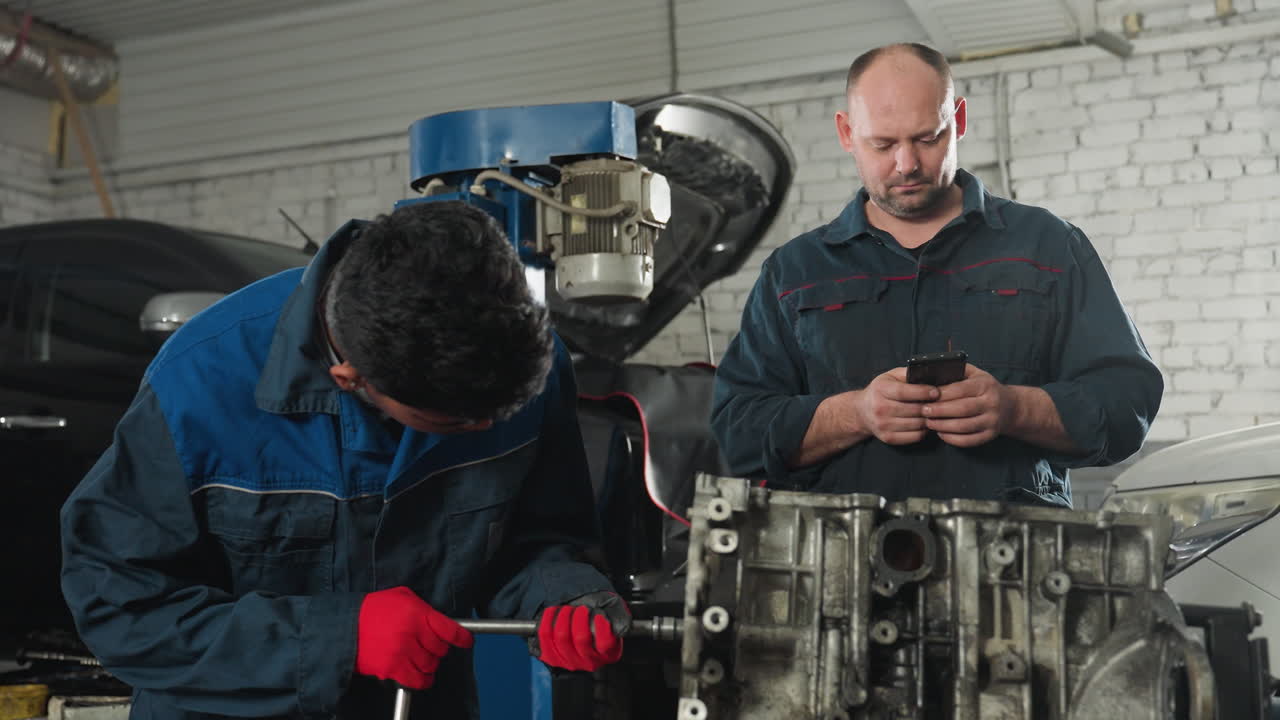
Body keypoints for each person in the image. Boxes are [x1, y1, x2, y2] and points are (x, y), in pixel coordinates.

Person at [60, 201, 629, 719]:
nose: (486, 430)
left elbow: (536, 538)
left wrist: (561, 594)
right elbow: (120, 604)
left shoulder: (526, 368)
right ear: (349, 379)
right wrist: (336, 639)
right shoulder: (200, 386)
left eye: (502, 415)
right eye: (455, 425)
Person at [710, 43, 1163, 506]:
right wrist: (856, 413)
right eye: (883, 144)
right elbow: (737, 433)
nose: (907, 164)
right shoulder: (794, 272)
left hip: (1011, 563)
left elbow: (1128, 405)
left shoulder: (1048, 246)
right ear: (847, 133)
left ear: (959, 120)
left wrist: (1013, 409)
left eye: (928, 138)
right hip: (843, 565)